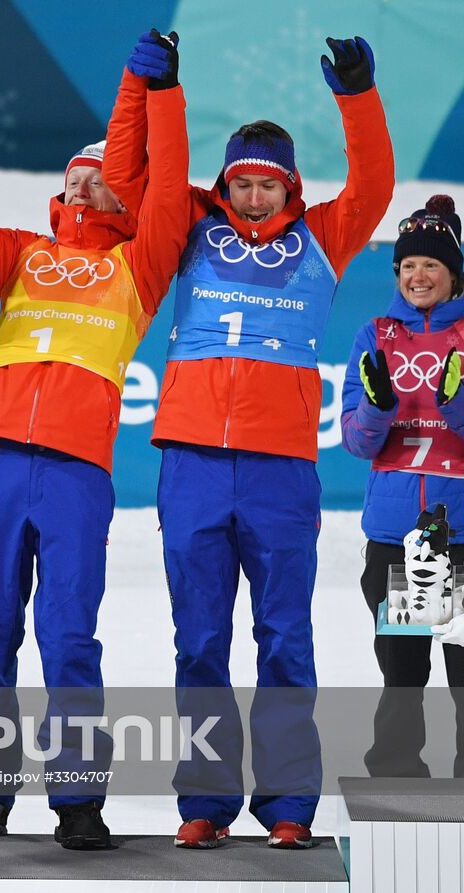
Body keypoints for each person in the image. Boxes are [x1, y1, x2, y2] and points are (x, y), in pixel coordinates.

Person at [103, 34, 395, 849]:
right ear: (224, 183)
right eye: (243, 182)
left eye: (269, 184)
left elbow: (374, 184)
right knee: (198, 639)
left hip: (281, 470)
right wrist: (145, 87)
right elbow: (130, 179)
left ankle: (290, 801)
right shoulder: (189, 225)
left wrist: (359, 96)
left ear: (292, 187)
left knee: (284, 636)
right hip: (193, 460)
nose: (257, 196)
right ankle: (203, 799)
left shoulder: (325, 238)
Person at [0, 34, 190, 849]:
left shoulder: (142, 262)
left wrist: (157, 93)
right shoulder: (23, 256)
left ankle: (78, 801)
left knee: (69, 636)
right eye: (77, 173)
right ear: (60, 191)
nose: (88, 179)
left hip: (75, 473)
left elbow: (166, 184)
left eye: (103, 173)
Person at [341, 194, 464, 777]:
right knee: (403, 667)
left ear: (452, 274)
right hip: (399, 535)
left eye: (432, 265)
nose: (419, 275)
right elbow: (358, 442)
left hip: (460, 534)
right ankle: (395, 778)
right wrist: (378, 408)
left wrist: (457, 403)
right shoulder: (375, 334)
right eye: (409, 265)